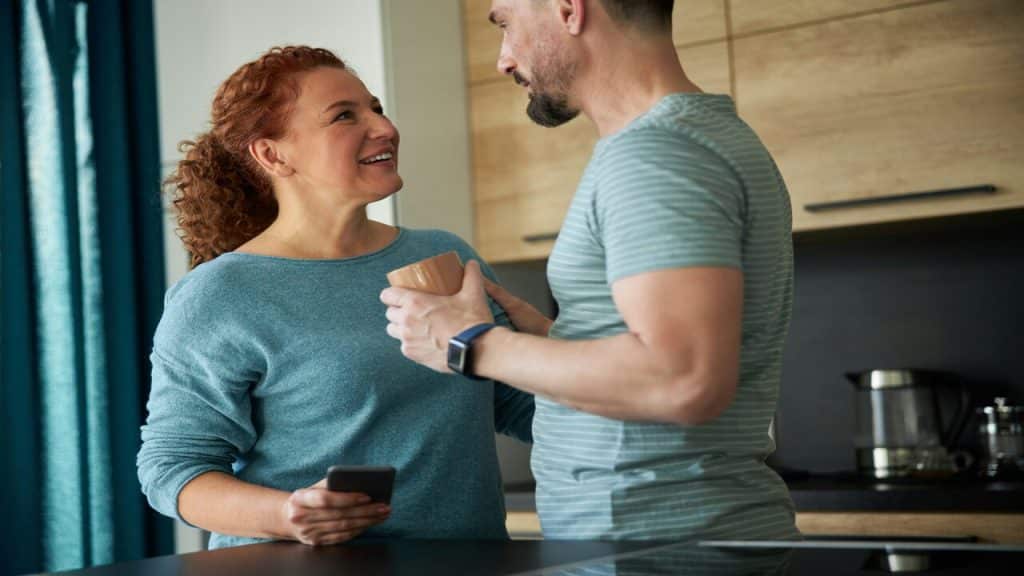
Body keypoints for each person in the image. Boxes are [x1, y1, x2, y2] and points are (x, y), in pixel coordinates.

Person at [381, 0, 798, 541]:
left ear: (568, 9)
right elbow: (662, 355)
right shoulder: (689, 138)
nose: (503, 60)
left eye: (506, 24)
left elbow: (684, 379)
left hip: (653, 545)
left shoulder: (655, 154)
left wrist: (471, 344)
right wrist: (554, 335)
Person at [136, 45, 533, 550]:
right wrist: (286, 514)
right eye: (345, 116)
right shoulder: (220, 295)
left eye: (376, 107)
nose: (383, 128)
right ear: (272, 154)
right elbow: (172, 468)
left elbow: (520, 404)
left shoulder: (442, 255)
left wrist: (598, 361)